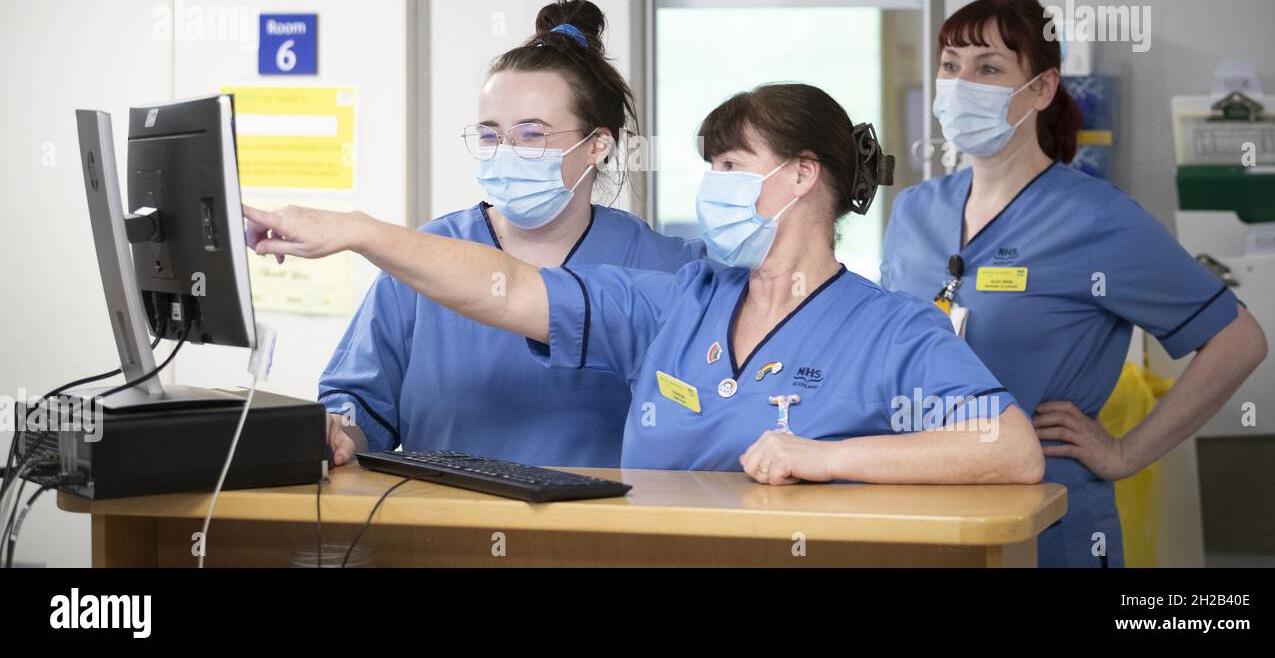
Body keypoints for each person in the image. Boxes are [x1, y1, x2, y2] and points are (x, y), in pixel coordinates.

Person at [246, 84, 1045, 486]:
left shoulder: (889, 329)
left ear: (803, 177)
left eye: (732, 167)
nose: (714, 187)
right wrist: (358, 230)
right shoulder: (677, 299)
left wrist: (828, 458)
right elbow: (505, 289)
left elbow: (1008, 447)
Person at [880, 0, 1267, 566]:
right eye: (950, 65)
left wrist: (1126, 453)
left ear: (1040, 89)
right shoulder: (913, 212)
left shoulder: (1097, 220)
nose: (961, 84)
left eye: (988, 68)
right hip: (921, 508)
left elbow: (1239, 341)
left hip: (1048, 522)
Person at [307, 0, 703, 468]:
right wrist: (340, 432)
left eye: (532, 135)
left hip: (602, 534)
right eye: (491, 135)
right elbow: (360, 408)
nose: (505, 152)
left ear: (597, 145)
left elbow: (708, 416)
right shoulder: (425, 258)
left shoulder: (664, 266)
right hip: (440, 526)